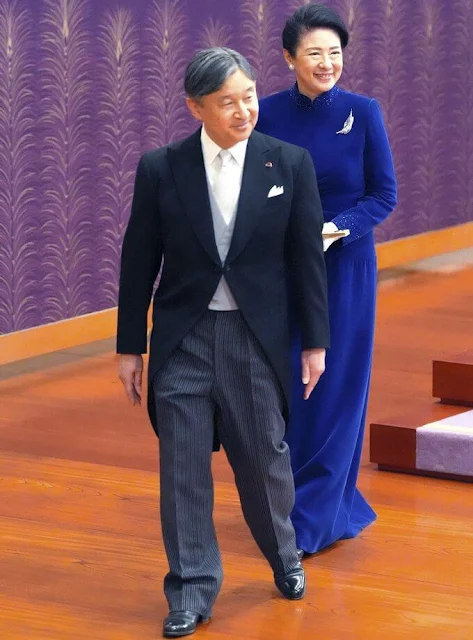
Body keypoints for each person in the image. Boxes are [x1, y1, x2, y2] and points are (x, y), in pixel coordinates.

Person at [116, 47, 330, 637]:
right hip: (182, 339)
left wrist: (316, 342)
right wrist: (130, 346)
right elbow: (139, 261)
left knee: (264, 461)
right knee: (182, 469)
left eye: (249, 97)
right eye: (227, 102)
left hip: (253, 338)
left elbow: (306, 260)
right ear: (196, 107)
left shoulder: (289, 163)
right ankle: (190, 590)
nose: (243, 111)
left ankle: (284, 556)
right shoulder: (161, 168)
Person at [256, 4, 397, 556]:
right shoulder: (264, 113)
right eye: (314, 52)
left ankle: (315, 518)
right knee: (290, 383)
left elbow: (383, 195)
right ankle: (284, 501)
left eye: (335, 53)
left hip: (346, 267)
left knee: (336, 385)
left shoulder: (364, 112)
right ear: (289, 57)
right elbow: (254, 186)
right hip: (284, 268)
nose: (326, 62)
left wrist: (333, 230)